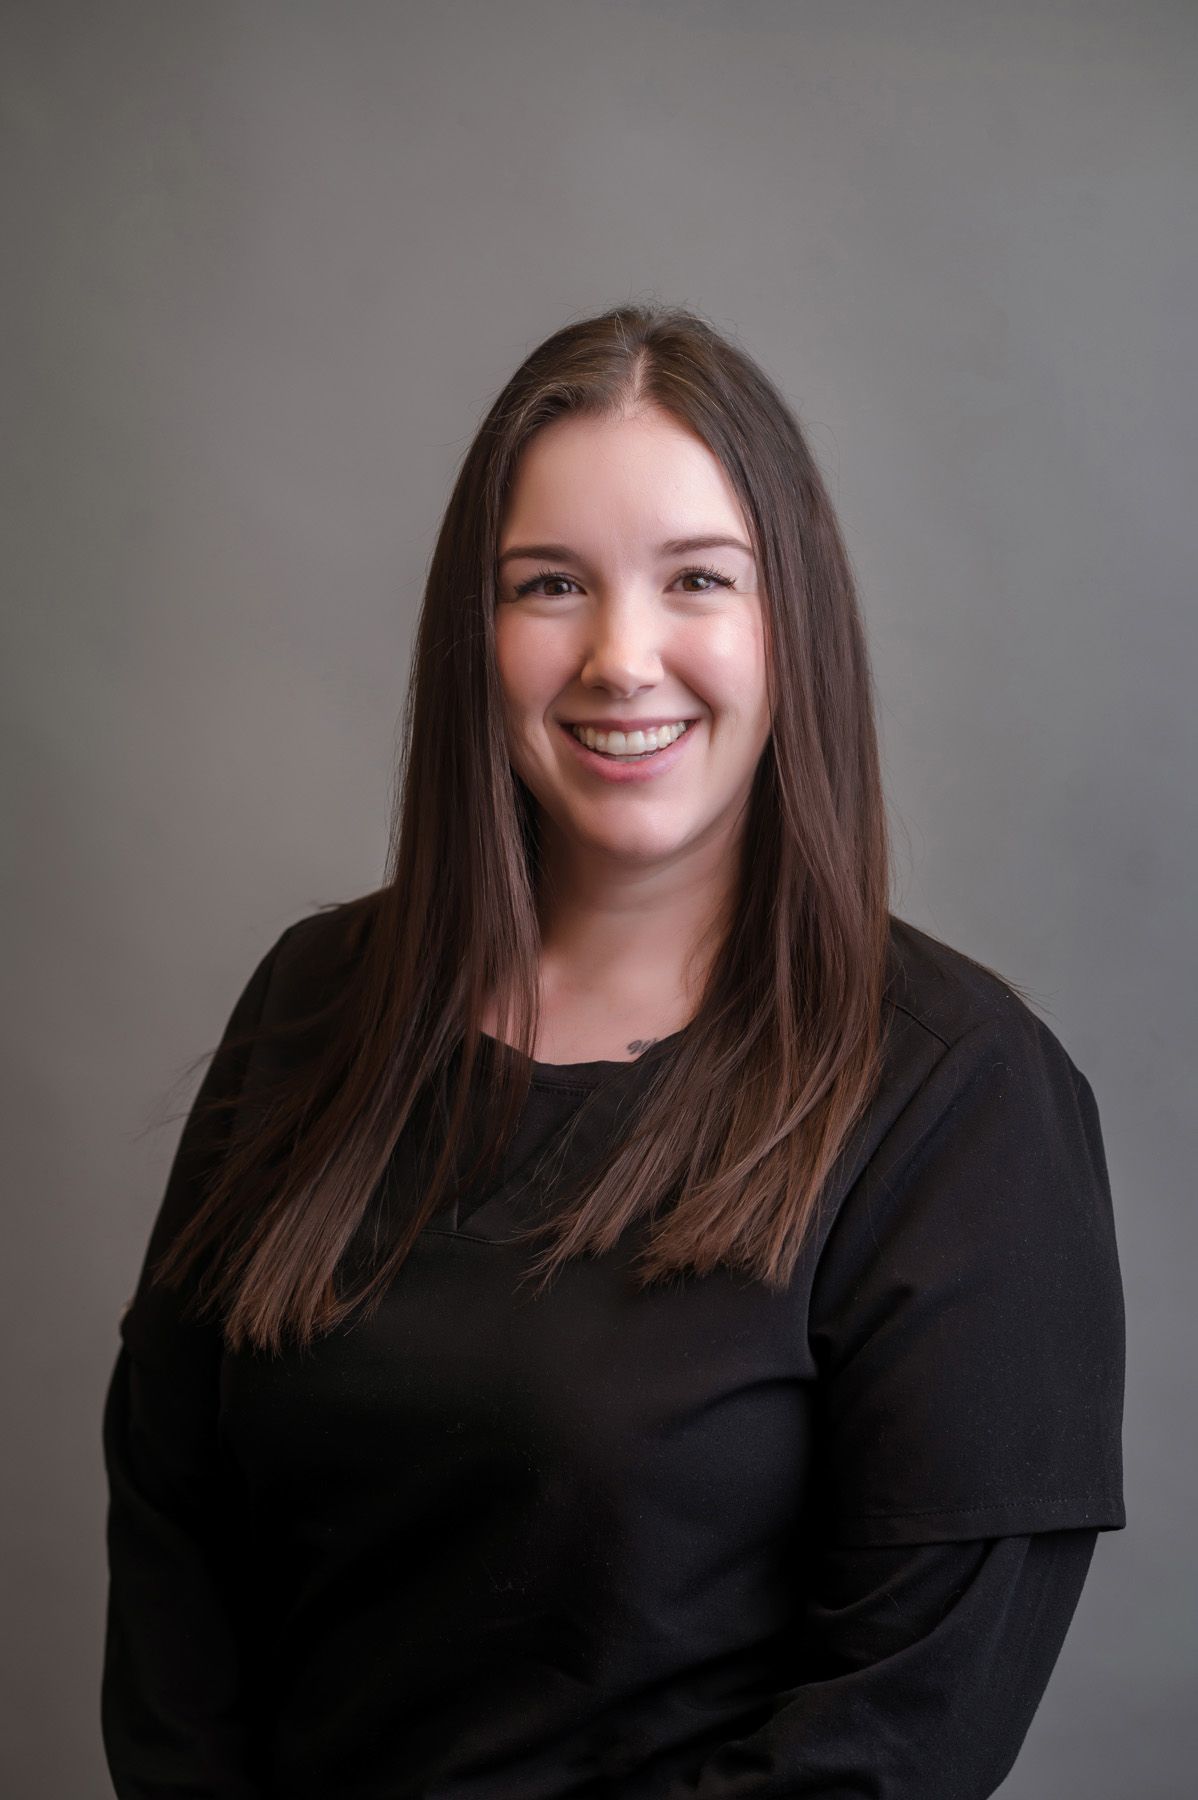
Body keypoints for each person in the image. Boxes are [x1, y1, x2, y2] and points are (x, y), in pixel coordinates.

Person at [101, 304, 1126, 1800]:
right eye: (548, 585)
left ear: (795, 625)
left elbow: (897, 1731)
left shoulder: (959, 1097)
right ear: (479, 630)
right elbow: (172, 1510)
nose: (618, 656)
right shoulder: (315, 1000)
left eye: (696, 580)